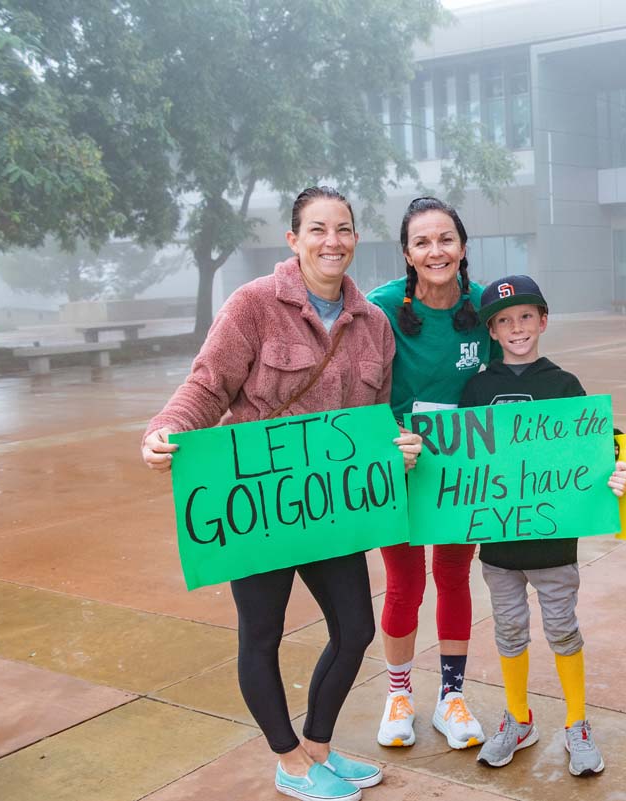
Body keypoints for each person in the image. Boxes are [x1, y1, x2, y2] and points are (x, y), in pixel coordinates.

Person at [142, 186, 423, 801]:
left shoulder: (372, 324)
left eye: (344, 229)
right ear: (293, 239)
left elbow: (375, 418)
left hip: (332, 510)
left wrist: (397, 445)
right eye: (317, 229)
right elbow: (207, 385)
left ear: (355, 237)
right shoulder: (252, 306)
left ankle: (318, 749)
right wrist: (165, 429)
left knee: (354, 628)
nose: (333, 241)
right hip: (259, 508)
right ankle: (288, 761)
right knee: (262, 634)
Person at [457, 275, 626, 775]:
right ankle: (517, 719)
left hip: (553, 543)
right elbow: (456, 459)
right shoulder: (478, 388)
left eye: (526, 317)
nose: (517, 328)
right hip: (499, 544)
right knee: (509, 630)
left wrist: (620, 460)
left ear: (543, 321)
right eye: (506, 321)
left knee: (562, 628)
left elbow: (597, 443)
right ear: (492, 330)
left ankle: (577, 723)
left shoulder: (562, 385)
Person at [365, 197, 500, 751]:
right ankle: (398, 696)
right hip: (399, 466)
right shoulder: (377, 309)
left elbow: (512, 380)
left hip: (458, 473)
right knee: (404, 584)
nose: (435, 251)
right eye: (422, 242)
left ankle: (451, 696)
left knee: (452, 577)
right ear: (406, 253)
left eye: (445, 239)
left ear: (463, 248)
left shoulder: (485, 307)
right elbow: (351, 392)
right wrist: (387, 442)